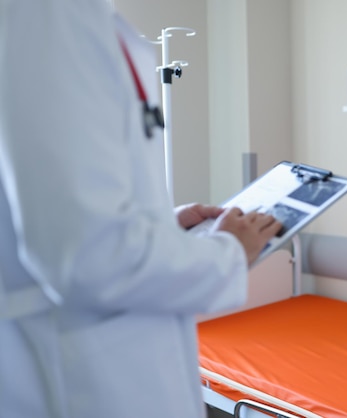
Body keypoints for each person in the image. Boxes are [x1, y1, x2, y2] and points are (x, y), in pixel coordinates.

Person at [0, 1, 281, 418]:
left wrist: (162, 227)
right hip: (79, 382)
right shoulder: (48, 15)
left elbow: (64, 214)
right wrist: (228, 251)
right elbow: (87, 256)